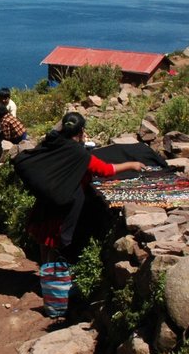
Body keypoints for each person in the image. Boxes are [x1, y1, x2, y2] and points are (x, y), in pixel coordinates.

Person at [15, 112, 144, 262]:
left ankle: (45, 269)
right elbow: (106, 170)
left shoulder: (53, 141)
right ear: (81, 131)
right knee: (55, 244)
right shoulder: (79, 154)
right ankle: (52, 272)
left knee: (44, 241)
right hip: (62, 206)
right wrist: (131, 164)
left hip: (46, 201)